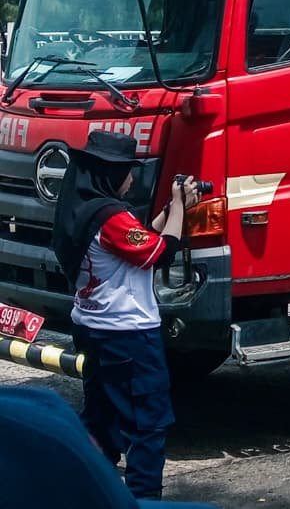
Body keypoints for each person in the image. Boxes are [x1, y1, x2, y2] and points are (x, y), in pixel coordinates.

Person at [50, 131, 199, 501]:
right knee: (148, 425)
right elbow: (159, 253)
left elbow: (140, 241)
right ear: (110, 173)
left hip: (92, 328)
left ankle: (90, 493)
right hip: (128, 336)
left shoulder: (81, 208)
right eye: (127, 172)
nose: (132, 179)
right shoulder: (111, 217)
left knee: (101, 421)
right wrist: (181, 207)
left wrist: (169, 209)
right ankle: (144, 500)